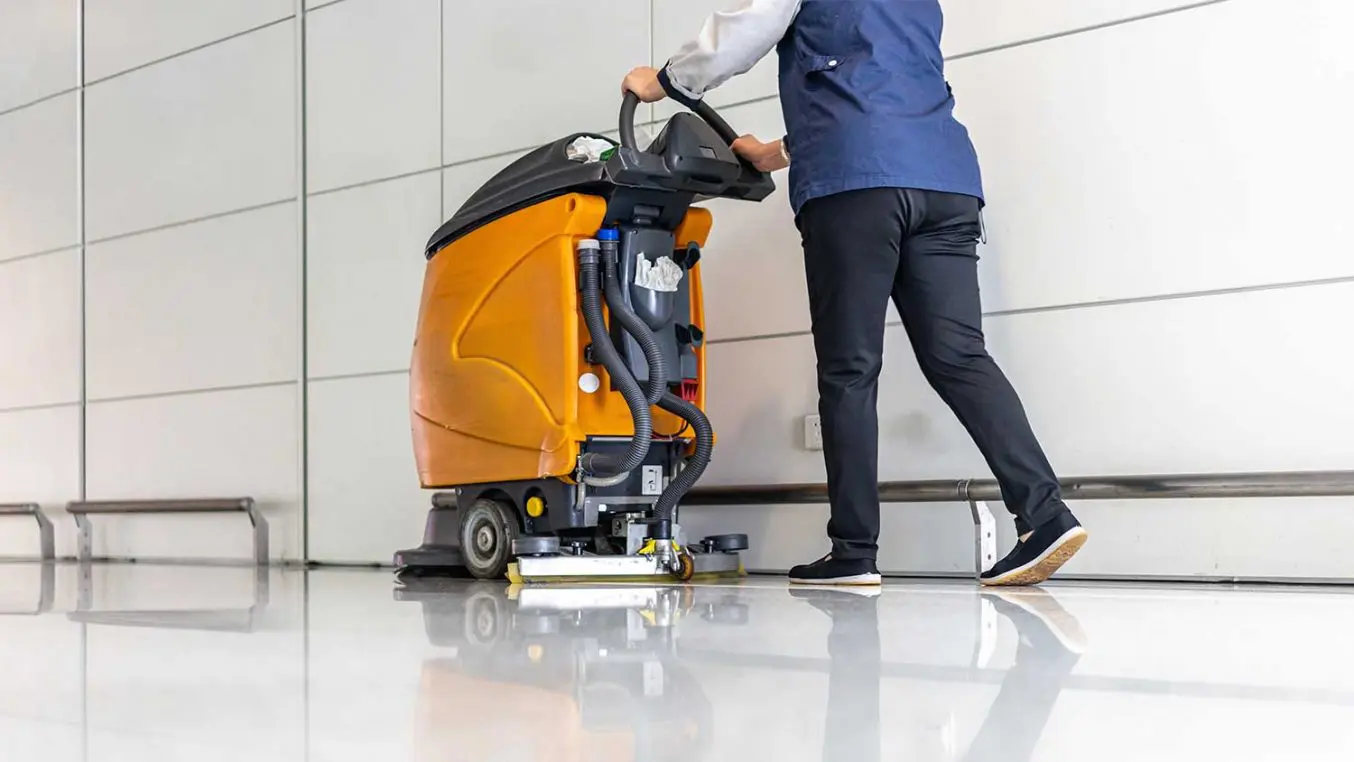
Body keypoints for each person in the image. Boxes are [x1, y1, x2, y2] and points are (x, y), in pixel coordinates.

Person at [622, 0, 1087, 587]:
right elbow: (878, 80)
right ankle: (1045, 515)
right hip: (944, 179)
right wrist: (777, 153)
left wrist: (663, 81)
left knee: (849, 371)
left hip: (857, 185)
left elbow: (745, 30)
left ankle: (853, 553)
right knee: (961, 357)